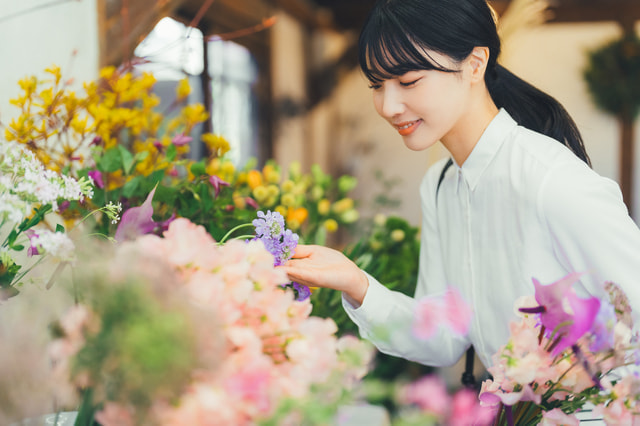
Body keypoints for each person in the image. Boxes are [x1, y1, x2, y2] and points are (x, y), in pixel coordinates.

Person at [283, 0, 640, 371]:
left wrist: (589, 383)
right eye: (377, 84)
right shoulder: (440, 185)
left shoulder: (551, 179)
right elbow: (443, 336)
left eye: (408, 81)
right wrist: (356, 283)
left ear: (474, 64)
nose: (389, 105)